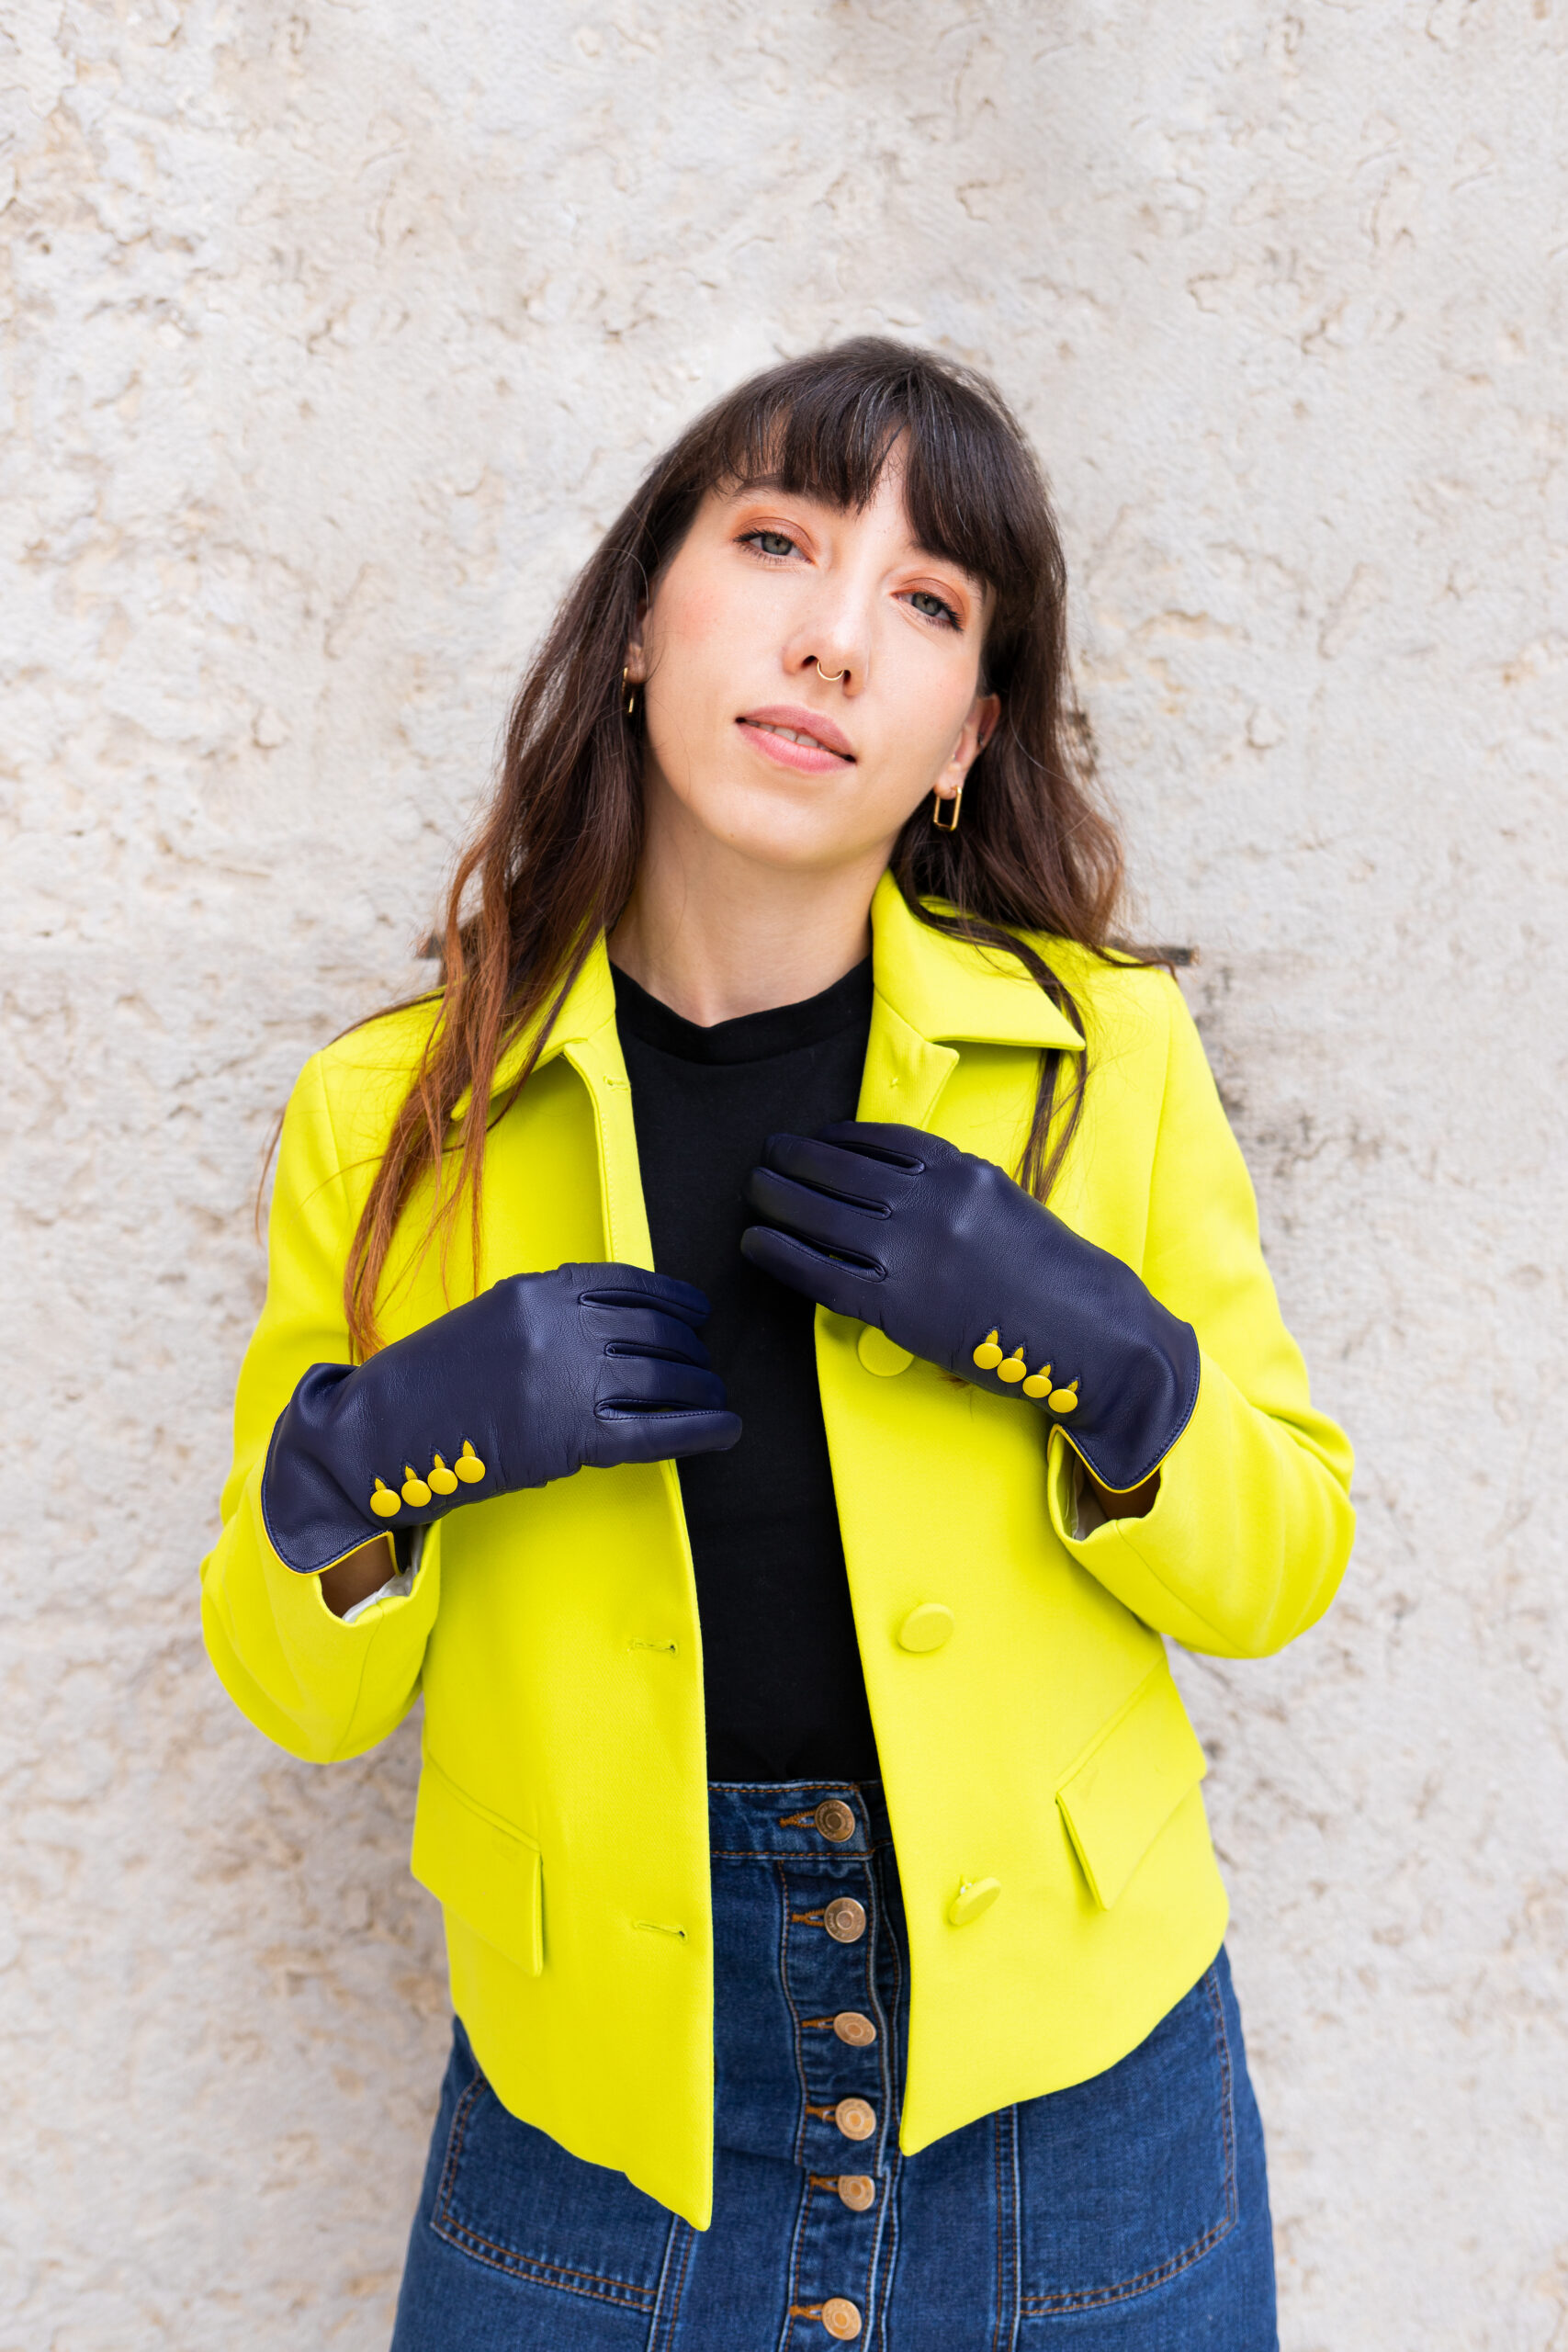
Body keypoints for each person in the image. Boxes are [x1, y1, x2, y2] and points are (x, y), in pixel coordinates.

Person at [202, 338, 1354, 2347]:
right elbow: (296, 1692)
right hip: (595, 2120)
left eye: (926, 601)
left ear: (962, 740)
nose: (833, 636)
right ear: (640, 626)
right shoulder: (391, 1118)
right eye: (774, 543)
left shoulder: (1101, 1061)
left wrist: (1114, 1366)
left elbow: (1281, 1568)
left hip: (1077, 2110)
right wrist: (372, 1454)